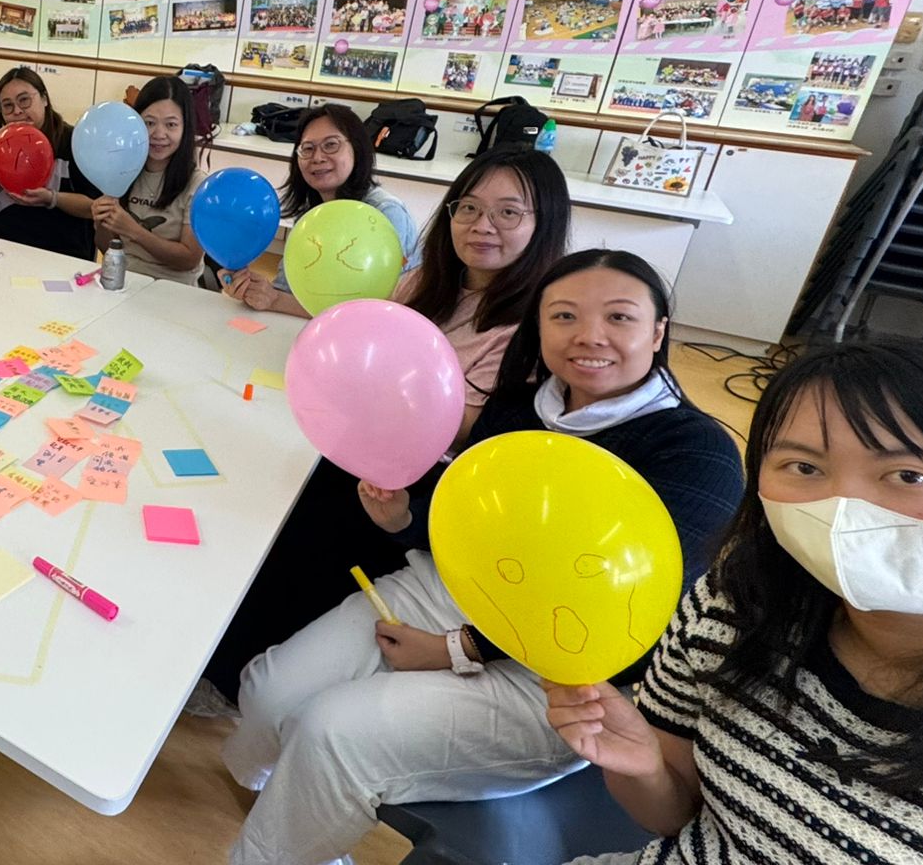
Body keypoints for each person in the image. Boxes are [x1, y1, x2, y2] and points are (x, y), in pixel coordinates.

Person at [224, 249, 743, 865]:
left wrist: (457, 648)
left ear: (657, 332)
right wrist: (403, 520)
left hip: (566, 674)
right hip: (448, 591)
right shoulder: (521, 406)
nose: (589, 335)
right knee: (270, 691)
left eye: (619, 317)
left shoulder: (698, 453)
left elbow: (616, 612)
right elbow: (467, 524)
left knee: (333, 732)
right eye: (565, 316)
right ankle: (276, 798)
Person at [545, 338, 923, 865]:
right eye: (804, 467)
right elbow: (676, 818)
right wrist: (643, 767)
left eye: (910, 475)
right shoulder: (734, 602)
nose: (843, 511)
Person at [198, 149, 572, 710]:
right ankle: (220, 650)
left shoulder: (534, 324)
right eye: (469, 208)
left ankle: (239, 679)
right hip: (361, 444)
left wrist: (379, 396)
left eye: (508, 212)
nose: (482, 225)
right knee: (263, 505)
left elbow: (475, 433)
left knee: (306, 543)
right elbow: (361, 343)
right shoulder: (425, 281)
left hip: (425, 484)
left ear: (544, 224)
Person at [222, 103, 420, 315]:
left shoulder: (386, 215)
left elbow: (376, 311)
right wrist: (253, 289)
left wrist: (276, 300)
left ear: (357, 148)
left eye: (331, 145)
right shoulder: (311, 214)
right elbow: (288, 288)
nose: (317, 157)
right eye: (308, 148)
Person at [0, 65, 100, 261]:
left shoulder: (74, 142)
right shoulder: (2, 143)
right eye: (8, 106)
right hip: (3, 241)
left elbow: (94, 207)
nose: (17, 111)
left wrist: (52, 198)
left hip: (62, 250)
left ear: (44, 99)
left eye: (24, 100)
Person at [91, 76, 206, 284]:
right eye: (149, 123)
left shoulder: (197, 184)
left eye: (171, 125)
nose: (159, 134)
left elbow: (189, 260)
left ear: (185, 128)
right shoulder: (121, 170)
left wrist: (133, 231)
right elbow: (106, 248)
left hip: (173, 288)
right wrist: (101, 222)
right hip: (125, 281)